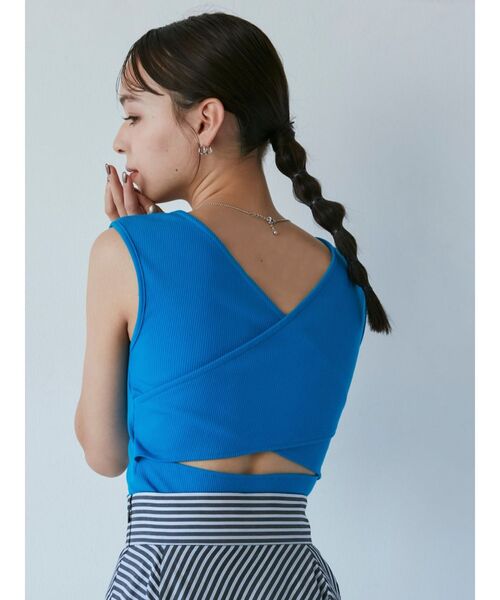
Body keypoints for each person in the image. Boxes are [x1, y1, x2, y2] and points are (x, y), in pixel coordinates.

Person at [74, 11, 392, 600]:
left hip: (170, 576)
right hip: (297, 578)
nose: (120, 139)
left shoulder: (124, 253)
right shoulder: (344, 281)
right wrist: (154, 247)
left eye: (134, 114)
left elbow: (104, 452)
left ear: (206, 120)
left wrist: (141, 247)